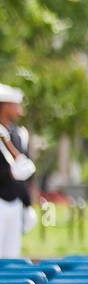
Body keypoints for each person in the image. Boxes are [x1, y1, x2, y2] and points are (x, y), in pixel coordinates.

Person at [0, 83, 35, 257]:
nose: (19, 111)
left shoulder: (16, 134)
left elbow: (26, 170)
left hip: (14, 202)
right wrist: (9, 174)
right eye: (16, 106)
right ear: (4, 106)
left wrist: (27, 203)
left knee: (11, 255)